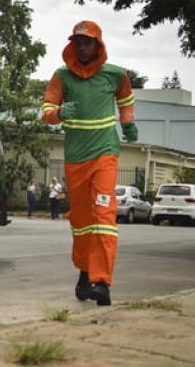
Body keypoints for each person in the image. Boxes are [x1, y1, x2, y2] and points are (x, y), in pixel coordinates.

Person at [42, 20, 137, 307]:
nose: (82, 47)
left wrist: (128, 122)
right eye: (78, 42)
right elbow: (46, 111)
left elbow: (126, 98)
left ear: (98, 44)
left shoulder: (115, 75)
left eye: (88, 42)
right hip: (75, 159)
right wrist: (59, 113)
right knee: (82, 223)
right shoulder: (62, 77)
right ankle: (85, 272)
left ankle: (102, 282)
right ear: (72, 45)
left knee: (104, 216)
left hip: (105, 155)